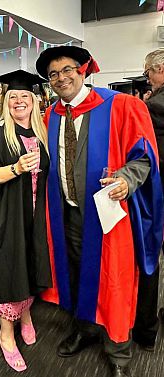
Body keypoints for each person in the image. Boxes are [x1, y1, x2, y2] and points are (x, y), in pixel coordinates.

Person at [35, 46, 163, 377]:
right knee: (76, 274)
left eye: (67, 70)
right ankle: (85, 328)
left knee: (114, 280)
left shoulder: (122, 105)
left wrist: (125, 178)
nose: (61, 78)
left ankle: (118, 351)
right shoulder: (50, 116)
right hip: (68, 214)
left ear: (84, 70)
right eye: (53, 74)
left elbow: (145, 157)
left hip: (109, 217)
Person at [0, 70, 52, 372]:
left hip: (34, 215)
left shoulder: (40, 133)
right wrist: (16, 168)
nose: (19, 101)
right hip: (8, 216)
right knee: (10, 270)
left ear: (34, 101)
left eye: (25, 97)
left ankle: (26, 315)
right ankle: (6, 335)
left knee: (30, 265)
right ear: (6, 102)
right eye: (13, 97)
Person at [131, 49, 164, 352]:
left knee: (149, 257)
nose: (147, 77)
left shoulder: (152, 107)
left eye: (149, 72)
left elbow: (143, 154)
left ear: (161, 69)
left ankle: (145, 329)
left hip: (157, 194)